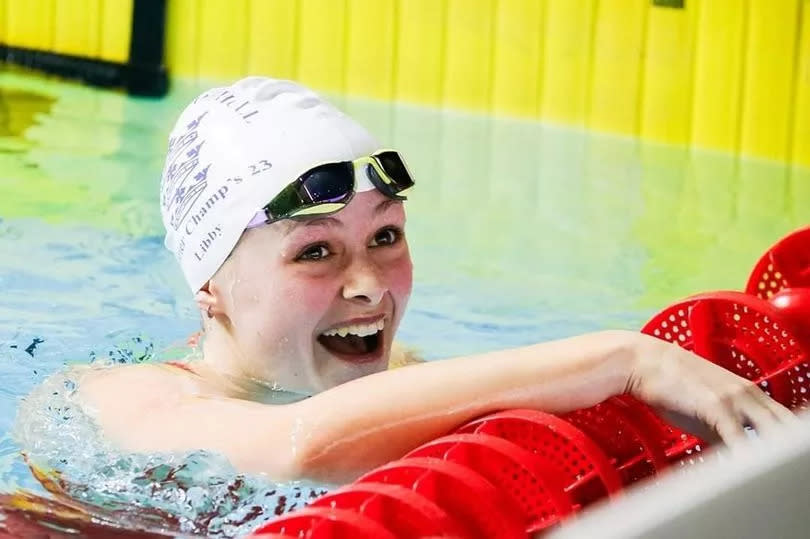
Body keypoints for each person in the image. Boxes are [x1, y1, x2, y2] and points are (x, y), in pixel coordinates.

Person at [74, 77, 794, 485]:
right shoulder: (132, 398)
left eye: (385, 236)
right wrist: (627, 359)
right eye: (316, 252)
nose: (368, 285)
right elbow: (297, 446)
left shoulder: (412, 378)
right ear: (211, 287)